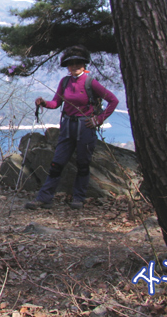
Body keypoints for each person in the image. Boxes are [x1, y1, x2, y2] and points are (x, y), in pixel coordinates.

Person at [25, 45, 119, 210]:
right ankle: (44, 198)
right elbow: (56, 103)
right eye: (71, 63)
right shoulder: (65, 82)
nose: (75, 66)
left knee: (83, 163)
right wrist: (44, 103)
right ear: (67, 66)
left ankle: (78, 198)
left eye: (78, 63)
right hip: (67, 126)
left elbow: (113, 101)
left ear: (84, 64)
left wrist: (99, 119)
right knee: (56, 163)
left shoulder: (91, 82)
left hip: (85, 127)